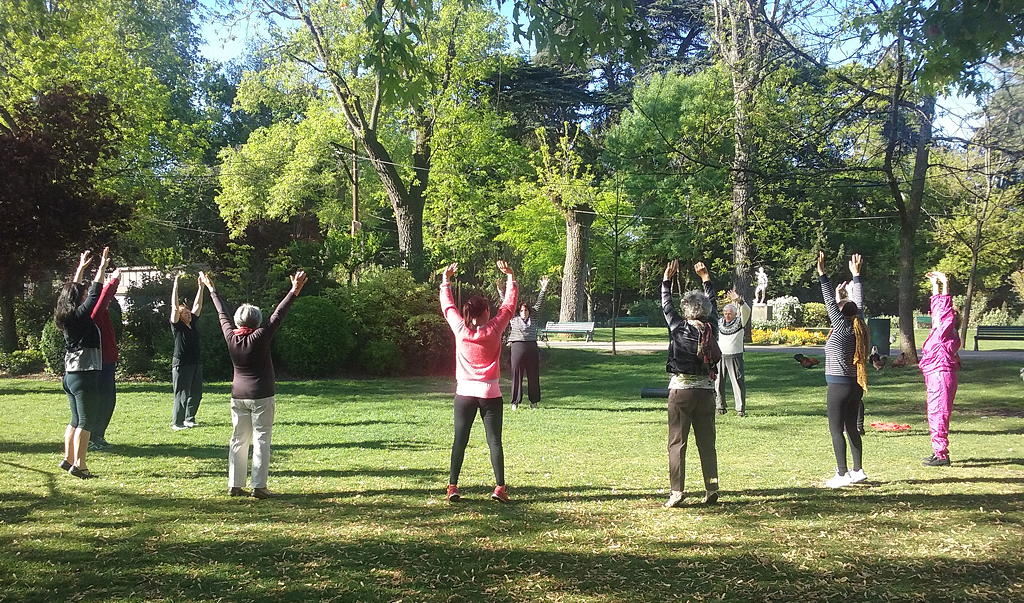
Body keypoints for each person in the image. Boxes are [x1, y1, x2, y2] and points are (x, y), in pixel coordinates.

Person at [203, 270, 307, 499]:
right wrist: (293, 291)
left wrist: (212, 290)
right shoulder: (261, 336)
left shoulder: (231, 336)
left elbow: (222, 314)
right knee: (261, 439)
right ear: (257, 321)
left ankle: (234, 484)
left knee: (238, 439)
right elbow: (279, 314)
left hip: (238, 395)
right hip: (261, 394)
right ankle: (258, 486)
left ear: (239, 321)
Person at [440, 260, 518, 503]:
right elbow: (508, 306)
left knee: (459, 440)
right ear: (485, 312)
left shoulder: (460, 329)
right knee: (494, 441)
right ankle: (499, 488)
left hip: (464, 393)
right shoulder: (494, 329)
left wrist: (446, 280)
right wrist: (510, 278)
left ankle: (452, 486)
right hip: (490, 393)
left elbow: (448, 307)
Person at [662, 259, 722, 508]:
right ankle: (712, 486)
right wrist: (706, 279)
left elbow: (666, 306)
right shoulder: (713, 327)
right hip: (707, 391)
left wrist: (666, 281)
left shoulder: (678, 326)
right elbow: (715, 305)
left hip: (681, 391)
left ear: (686, 310)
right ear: (705, 310)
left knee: (677, 443)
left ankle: (677, 491)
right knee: (707, 443)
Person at [56, 249, 113, 478]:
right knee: (86, 421)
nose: (85, 294)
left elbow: (73, 290)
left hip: (70, 375)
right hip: (84, 374)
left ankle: (68, 458)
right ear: (79, 299)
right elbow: (95, 293)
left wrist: (80, 267)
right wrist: (100, 268)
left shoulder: (65, 315)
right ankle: (80, 466)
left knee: (75, 420)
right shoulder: (81, 315)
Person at [817, 251, 869, 488]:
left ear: (840, 313)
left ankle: (841, 474)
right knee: (852, 429)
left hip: (837, 385)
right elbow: (857, 304)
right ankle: (858, 471)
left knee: (836, 430)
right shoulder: (859, 325)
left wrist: (822, 275)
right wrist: (856, 277)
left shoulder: (840, 327)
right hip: (855, 385)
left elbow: (829, 301)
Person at [919, 271, 961, 467]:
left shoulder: (945, 333)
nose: (932, 316)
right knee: (935, 413)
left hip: (941, 376)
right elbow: (937, 308)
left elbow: (942, 310)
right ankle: (938, 451)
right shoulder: (941, 332)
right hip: (937, 376)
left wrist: (945, 283)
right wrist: (934, 285)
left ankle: (942, 455)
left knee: (939, 413)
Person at [86, 248, 120, 450]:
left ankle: (98, 436)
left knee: (109, 401)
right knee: (101, 401)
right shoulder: (93, 314)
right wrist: (112, 280)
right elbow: (103, 297)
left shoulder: (102, 314)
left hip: (108, 363)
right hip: (100, 364)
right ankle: (91, 437)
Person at [170, 272, 206, 430]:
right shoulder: (177, 325)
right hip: (182, 364)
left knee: (196, 392)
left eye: (188, 313)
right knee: (182, 393)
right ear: (179, 315)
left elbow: (198, 306)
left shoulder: (193, 322)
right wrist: (175, 285)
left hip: (196, 363)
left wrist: (201, 287)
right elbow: (173, 306)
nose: (188, 314)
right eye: (185, 313)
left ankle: (189, 418)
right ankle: (177, 423)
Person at [507, 275, 549, 411]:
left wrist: (544, 288)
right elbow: (507, 303)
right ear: (518, 312)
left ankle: (534, 402)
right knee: (516, 375)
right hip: (517, 347)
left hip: (531, 347)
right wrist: (504, 290)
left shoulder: (533, 317)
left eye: (526, 310)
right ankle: (515, 402)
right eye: (521, 310)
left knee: (533, 375)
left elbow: (540, 303)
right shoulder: (513, 318)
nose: (524, 312)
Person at [716, 289, 751, 417]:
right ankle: (720, 407)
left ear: (735, 314)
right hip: (720, 357)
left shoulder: (740, 322)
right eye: (725, 313)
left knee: (738, 382)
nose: (727, 315)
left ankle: (740, 409)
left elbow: (747, 310)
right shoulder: (720, 323)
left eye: (729, 313)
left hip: (735, 356)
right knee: (718, 382)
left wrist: (738, 300)